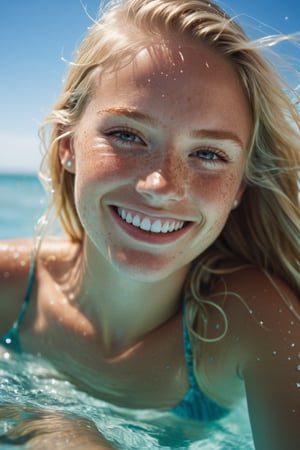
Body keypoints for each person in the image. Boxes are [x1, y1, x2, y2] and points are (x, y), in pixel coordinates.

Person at [0, 0, 299, 448]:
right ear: (68, 146)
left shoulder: (253, 320)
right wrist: (48, 425)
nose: (162, 185)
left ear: (239, 187)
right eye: (127, 135)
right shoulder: (8, 285)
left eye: (209, 154)